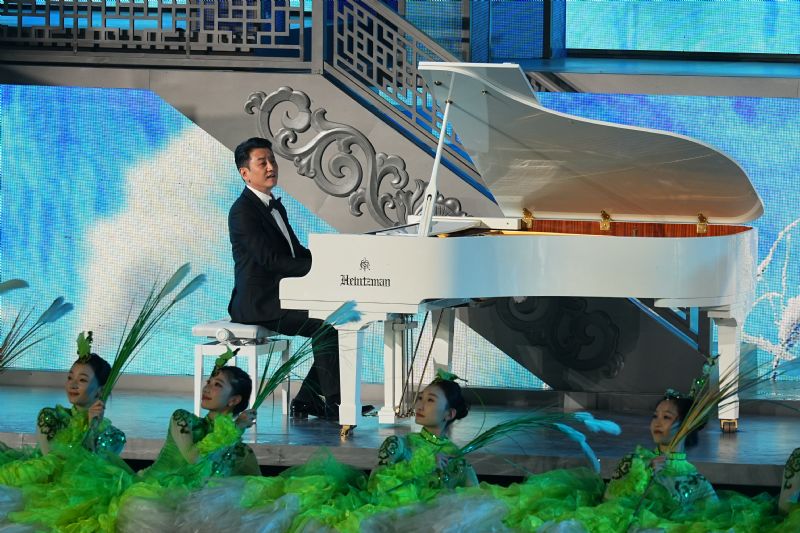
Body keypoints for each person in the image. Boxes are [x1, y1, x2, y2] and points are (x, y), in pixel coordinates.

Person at [227, 137, 342, 419]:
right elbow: (271, 261)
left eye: (272, 160)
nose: (271, 167)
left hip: (282, 296)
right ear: (245, 173)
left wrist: (332, 263)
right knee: (327, 327)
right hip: (260, 303)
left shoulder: (276, 206)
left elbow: (295, 251)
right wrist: (316, 270)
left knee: (339, 323)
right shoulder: (242, 211)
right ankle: (334, 405)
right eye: (262, 162)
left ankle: (307, 400)